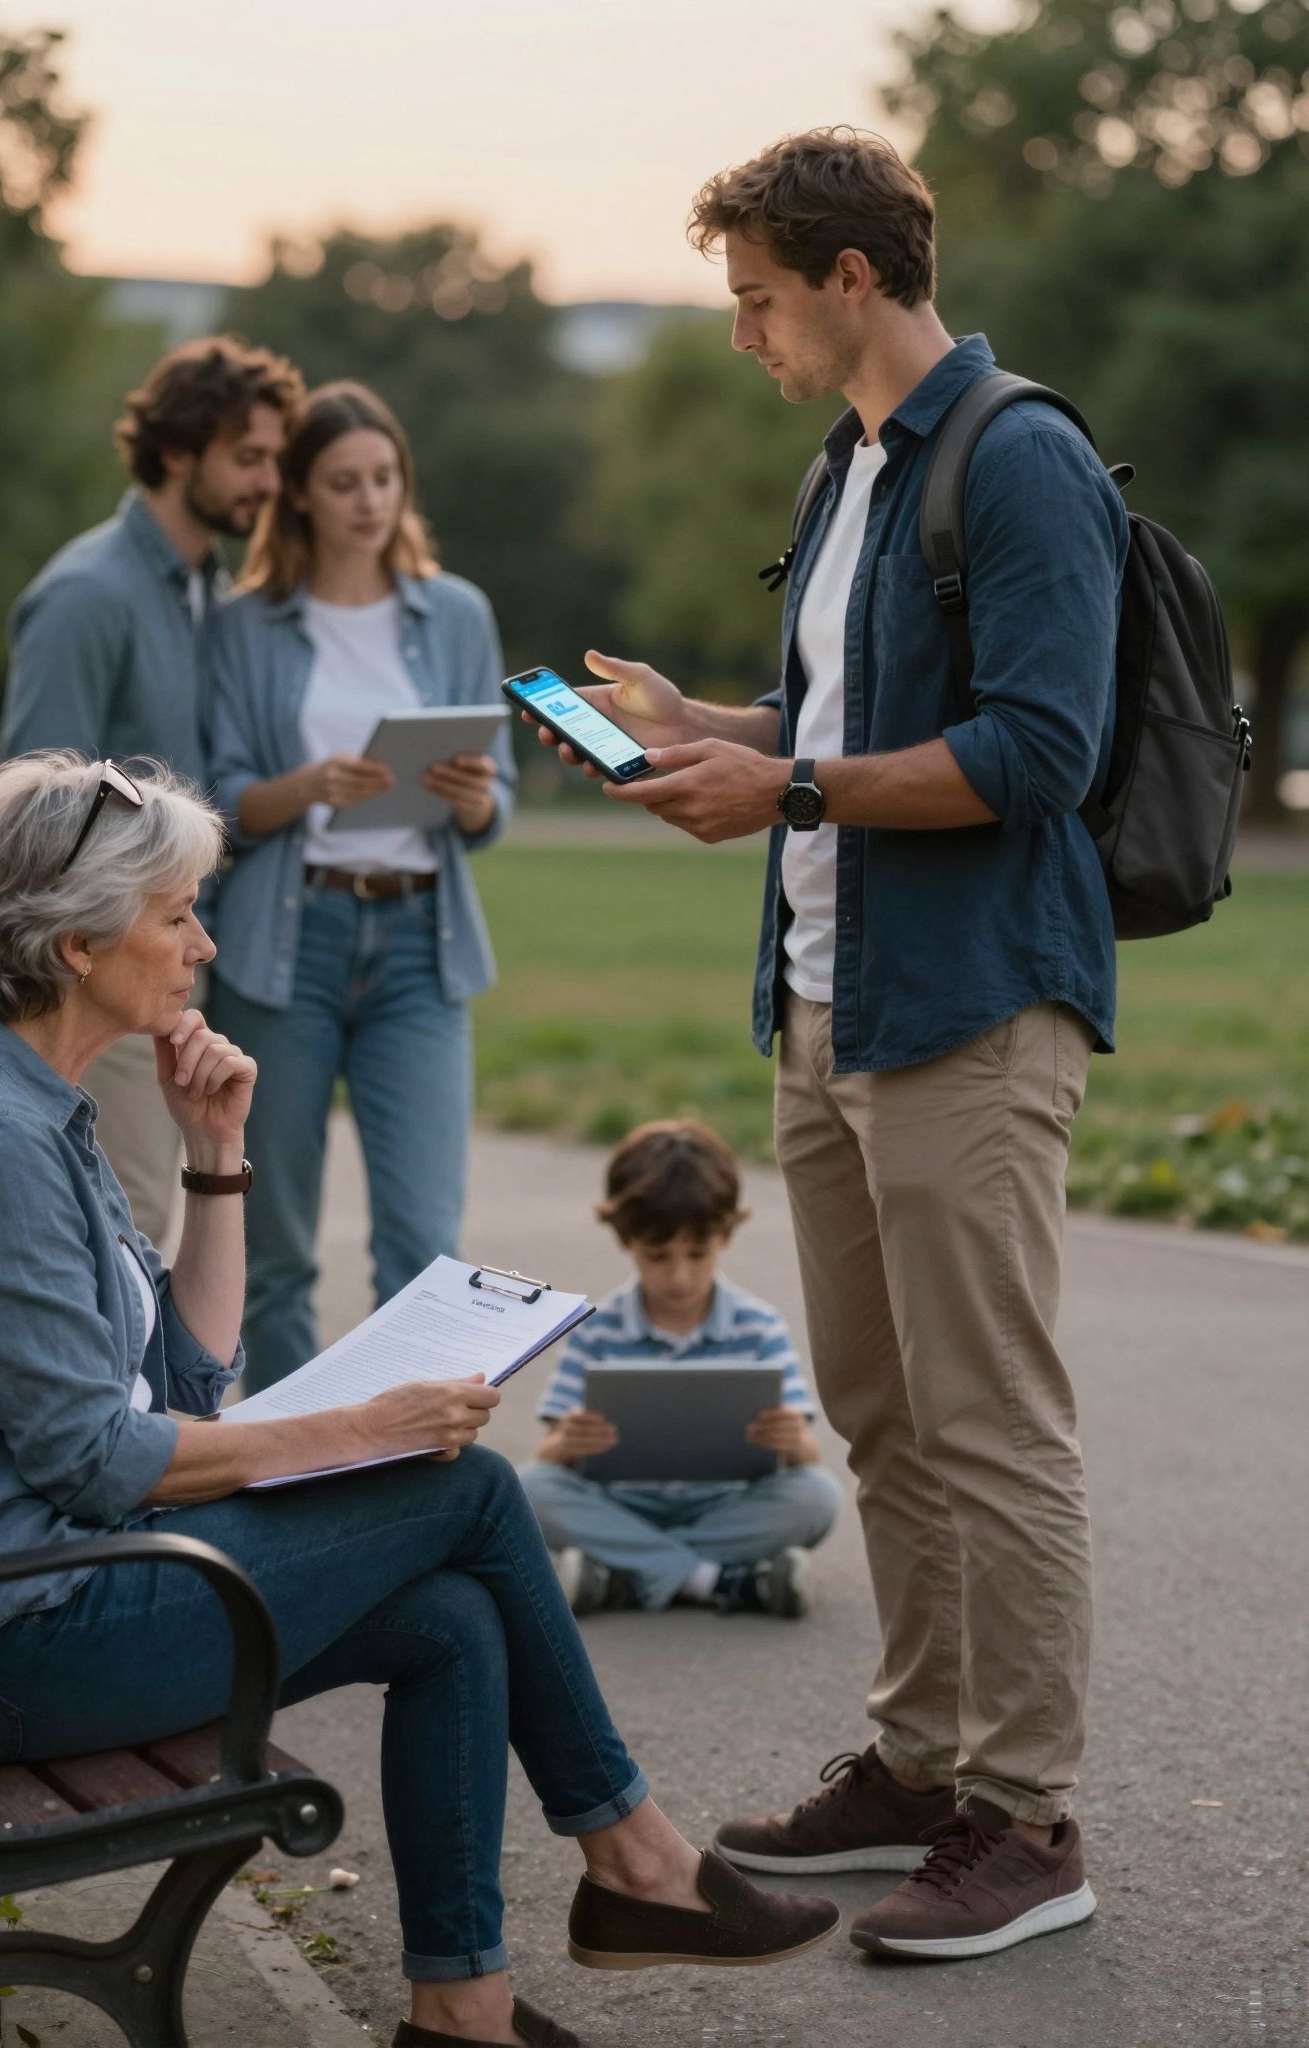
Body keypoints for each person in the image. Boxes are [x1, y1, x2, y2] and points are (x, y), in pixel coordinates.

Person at [0, 752, 841, 2048]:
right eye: (179, 912)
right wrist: (366, 1428)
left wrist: (218, 1165)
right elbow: (93, 1457)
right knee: (465, 1485)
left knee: (455, 1616)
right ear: (76, 942)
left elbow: (183, 1385)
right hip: (5, 1646)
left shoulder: (19, 1109)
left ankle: (461, 2010)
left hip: (7, 1604)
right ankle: (639, 1864)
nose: (205, 943)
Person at [527, 127, 1126, 1962]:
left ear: (853, 277)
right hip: (824, 998)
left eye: (759, 297)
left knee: (990, 1422)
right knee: (881, 1412)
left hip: (963, 1005)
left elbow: (1040, 749)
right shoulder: (853, 466)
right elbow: (840, 716)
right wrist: (688, 719)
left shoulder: (1016, 460)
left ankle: (1028, 1818)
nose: (742, 333)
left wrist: (779, 776)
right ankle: (922, 1767)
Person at [205, 381, 515, 1388]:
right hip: (285, 948)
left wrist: (471, 798)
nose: (369, 500)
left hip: (422, 945)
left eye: (384, 478)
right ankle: (291, 1468)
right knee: (276, 1244)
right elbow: (210, 803)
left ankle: (403, 1473)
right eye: (343, 482)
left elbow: (495, 805)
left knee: (426, 1246)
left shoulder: (455, 611)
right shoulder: (243, 625)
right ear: (299, 494)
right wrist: (307, 787)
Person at [0, 335, 302, 1245]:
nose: (267, 483)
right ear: (178, 452)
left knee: (163, 1227)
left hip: (181, 959)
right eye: (248, 458)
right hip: (98, 980)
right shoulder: (88, 595)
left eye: (275, 461)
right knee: (116, 1230)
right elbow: (33, 816)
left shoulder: (205, 586)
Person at [520, 1120, 838, 1619]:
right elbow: (550, 1455)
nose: (679, 1275)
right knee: (530, 1489)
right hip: (623, 1506)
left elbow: (806, 1457)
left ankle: (621, 1577)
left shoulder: (759, 1326)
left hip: (724, 1508)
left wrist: (793, 1440)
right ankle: (719, 1580)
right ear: (626, 1240)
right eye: (658, 1255)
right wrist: (567, 1444)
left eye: (697, 1253)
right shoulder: (595, 1329)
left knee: (817, 1496)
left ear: (726, 1236)